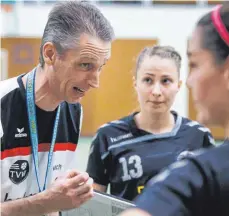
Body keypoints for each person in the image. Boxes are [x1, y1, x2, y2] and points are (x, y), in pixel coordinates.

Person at [0, 1, 114, 216]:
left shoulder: (73, 111)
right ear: (50, 54)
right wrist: (46, 202)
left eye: (100, 67)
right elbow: (46, 203)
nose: (95, 82)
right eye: (85, 65)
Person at [119, 3, 229, 216]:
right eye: (148, 80)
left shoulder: (197, 176)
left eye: (195, 64)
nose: (190, 80)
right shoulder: (109, 136)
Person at [86, 45, 214, 201]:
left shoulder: (199, 136)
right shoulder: (107, 136)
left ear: (178, 86)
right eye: (148, 80)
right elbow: (92, 203)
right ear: (136, 83)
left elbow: (213, 199)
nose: (156, 91)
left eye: (166, 81)